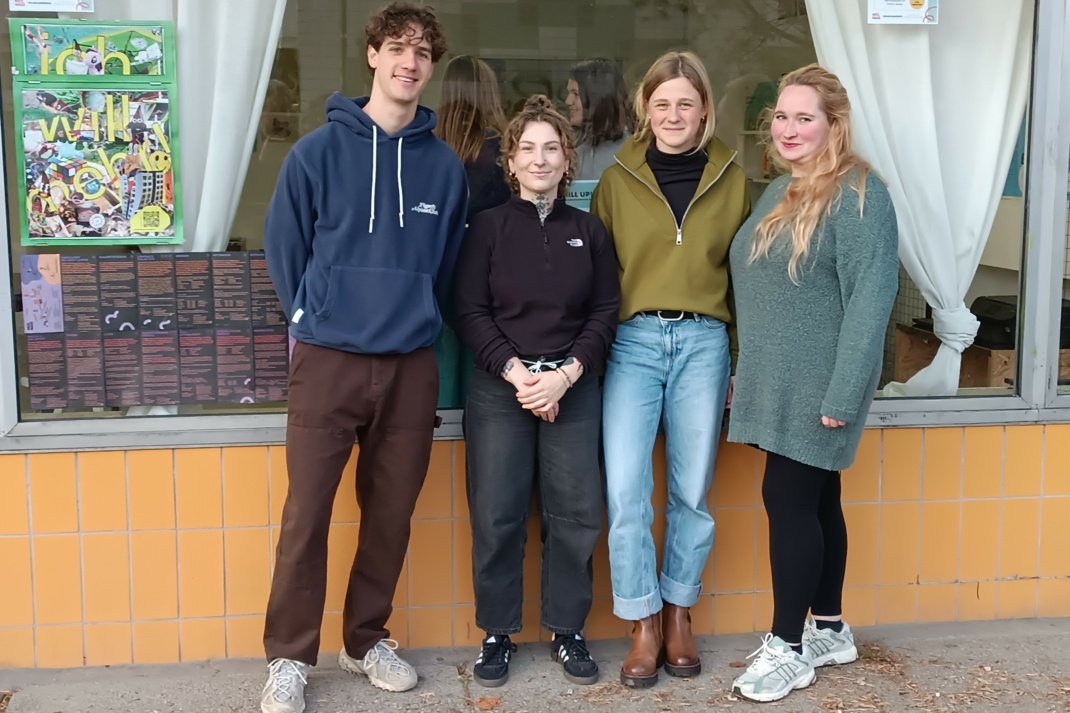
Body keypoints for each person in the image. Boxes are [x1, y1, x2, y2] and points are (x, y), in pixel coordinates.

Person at [260, 3, 467, 712]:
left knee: (391, 515)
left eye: (423, 53)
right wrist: (309, 315)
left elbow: (443, 267)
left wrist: (415, 316)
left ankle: (364, 638)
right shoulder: (315, 152)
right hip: (327, 360)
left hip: (409, 364)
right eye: (397, 49)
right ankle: (289, 657)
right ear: (373, 56)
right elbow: (285, 247)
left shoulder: (443, 168)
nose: (410, 63)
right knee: (306, 515)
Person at [726, 64, 899, 703]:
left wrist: (845, 392)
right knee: (820, 500)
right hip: (776, 381)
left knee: (788, 502)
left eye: (805, 117)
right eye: (781, 116)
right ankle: (829, 628)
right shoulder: (779, 191)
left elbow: (870, 301)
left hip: (821, 385)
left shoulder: (859, 194)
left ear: (834, 124)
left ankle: (788, 648)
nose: (789, 128)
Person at [591, 50, 750, 688]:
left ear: (704, 109)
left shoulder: (734, 178)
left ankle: (680, 611)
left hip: (705, 342)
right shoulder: (615, 179)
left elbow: (745, 281)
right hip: (632, 341)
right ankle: (643, 622)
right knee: (626, 489)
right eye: (662, 104)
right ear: (645, 110)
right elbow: (599, 280)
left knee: (691, 491)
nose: (673, 115)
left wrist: (743, 360)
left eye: (686, 103)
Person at [453, 95, 621, 688]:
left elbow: (605, 311)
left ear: (567, 158)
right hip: (503, 389)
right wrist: (519, 374)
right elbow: (469, 310)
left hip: (572, 387)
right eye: (528, 148)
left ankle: (566, 628)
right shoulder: (489, 228)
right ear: (512, 161)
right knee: (497, 514)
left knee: (575, 515)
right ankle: (497, 632)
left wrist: (566, 374)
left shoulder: (590, 231)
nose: (540, 158)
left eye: (551, 147)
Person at [433, 54, 511, 407]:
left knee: (442, 371)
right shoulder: (506, 150)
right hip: (493, 274)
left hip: (440, 273)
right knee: (484, 369)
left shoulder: (432, 149)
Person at [565, 58, 634, 181]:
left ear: (598, 98)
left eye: (575, 94)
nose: (568, 101)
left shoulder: (632, 154)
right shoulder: (570, 150)